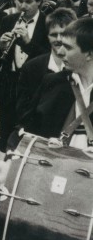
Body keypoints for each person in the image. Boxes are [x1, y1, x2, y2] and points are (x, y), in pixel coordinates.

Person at [0, 0, 50, 163]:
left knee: (28, 132)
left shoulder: (47, 23)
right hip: (9, 83)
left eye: (29, 1)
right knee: (5, 131)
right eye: (20, 1)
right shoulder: (8, 20)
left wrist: (27, 42)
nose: (23, 6)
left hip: (35, 87)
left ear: (39, 2)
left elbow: (48, 57)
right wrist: (1, 46)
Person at [21, 17, 93, 149]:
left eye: (68, 47)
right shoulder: (52, 82)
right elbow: (26, 129)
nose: (59, 52)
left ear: (89, 54)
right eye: (60, 45)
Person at [17, 7, 77, 123]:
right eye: (54, 35)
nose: (59, 39)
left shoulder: (81, 67)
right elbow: (23, 110)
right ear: (47, 36)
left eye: (64, 34)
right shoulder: (31, 68)